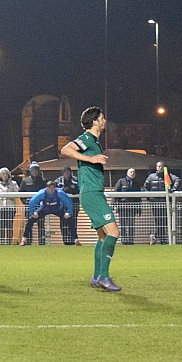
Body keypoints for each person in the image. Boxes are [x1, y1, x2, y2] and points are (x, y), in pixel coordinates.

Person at [60, 106, 122, 291]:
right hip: (92, 194)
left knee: (103, 237)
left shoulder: (94, 141)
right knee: (114, 233)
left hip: (93, 193)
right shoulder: (87, 138)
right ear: (94, 121)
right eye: (102, 118)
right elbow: (66, 149)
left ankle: (96, 277)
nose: (105, 121)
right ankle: (104, 277)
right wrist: (90, 159)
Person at [20, 180, 76, 246]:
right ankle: (24, 240)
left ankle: (76, 240)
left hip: (58, 209)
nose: (51, 190)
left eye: (53, 188)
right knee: (30, 221)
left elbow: (68, 201)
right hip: (44, 209)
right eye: (49, 188)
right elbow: (32, 202)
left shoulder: (59, 192)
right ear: (46, 188)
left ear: (55, 188)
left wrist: (69, 212)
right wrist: (32, 213)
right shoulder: (42, 193)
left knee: (70, 221)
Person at [143, 161, 180, 244]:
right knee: (157, 220)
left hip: (164, 201)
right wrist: (149, 197)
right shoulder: (151, 176)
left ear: (164, 167)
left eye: (161, 166)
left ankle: (158, 237)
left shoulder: (167, 175)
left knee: (164, 220)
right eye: (158, 166)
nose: (159, 168)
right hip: (154, 201)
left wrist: (173, 189)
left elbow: (177, 179)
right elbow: (145, 187)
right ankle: (160, 237)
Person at [19, 161, 47, 245]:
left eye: (36, 170)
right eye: (32, 170)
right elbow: (21, 192)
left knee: (41, 224)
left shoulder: (43, 181)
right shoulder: (25, 181)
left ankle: (42, 242)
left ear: (38, 171)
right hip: (29, 206)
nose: (34, 171)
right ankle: (28, 241)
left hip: (40, 206)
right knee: (29, 224)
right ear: (30, 171)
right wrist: (25, 202)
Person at [114, 168, 142, 245]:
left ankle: (130, 240)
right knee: (122, 224)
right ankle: (123, 240)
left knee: (131, 224)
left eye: (133, 172)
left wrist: (139, 209)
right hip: (122, 206)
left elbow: (139, 198)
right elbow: (115, 192)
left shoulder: (136, 183)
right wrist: (113, 204)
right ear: (127, 173)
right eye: (131, 172)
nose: (132, 173)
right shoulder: (121, 181)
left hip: (132, 207)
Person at [54, 167, 81, 245]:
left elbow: (80, 189)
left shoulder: (76, 180)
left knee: (73, 222)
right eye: (65, 172)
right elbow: (53, 189)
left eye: (68, 172)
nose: (66, 173)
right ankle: (65, 240)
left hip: (74, 205)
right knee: (63, 223)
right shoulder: (58, 181)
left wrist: (71, 191)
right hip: (62, 206)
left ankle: (73, 240)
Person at [0, 167, 19, 244]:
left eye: (6, 174)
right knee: (1, 225)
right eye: (3, 174)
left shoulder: (13, 183)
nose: (4, 176)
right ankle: (2, 242)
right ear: (0, 175)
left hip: (10, 207)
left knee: (9, 225)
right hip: (1, 207)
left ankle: (9, 241)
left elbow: (18, 191)